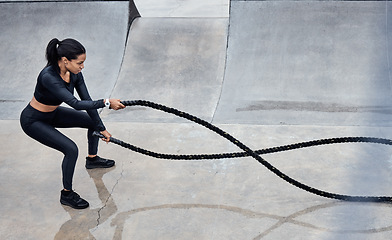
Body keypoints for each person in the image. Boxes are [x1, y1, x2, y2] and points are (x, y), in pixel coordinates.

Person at [20, 38, 125, 209]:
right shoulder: (48, 77)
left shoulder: (75, 74)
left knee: (92, 121)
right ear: (65, 60)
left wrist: (101, 128)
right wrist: (106, 102)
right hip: (34, 120)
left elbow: (87, 101)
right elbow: (75, 104)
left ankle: (92, 159)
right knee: (70, 149)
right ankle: (67, 194)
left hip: (53, 114)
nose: (82, 66)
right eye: (80, 63)